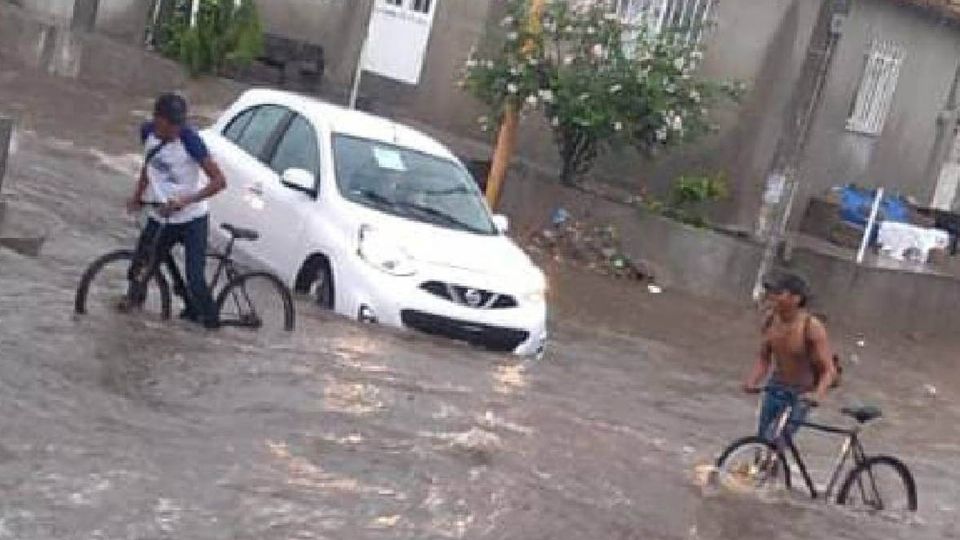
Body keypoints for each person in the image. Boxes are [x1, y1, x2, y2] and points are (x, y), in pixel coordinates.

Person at [121, 93, 227, 328]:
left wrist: (187, 200)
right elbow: (149, 168)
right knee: (140, 268)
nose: (174, 129)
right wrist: (137, 197)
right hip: (162, 215)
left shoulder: (191, 141)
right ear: (158, 120)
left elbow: (219, 181)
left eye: (178, 124)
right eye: (170, 124)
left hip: (192, 218)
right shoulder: (147, 133)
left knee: (195, 279)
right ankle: (128, 316)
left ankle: (212, 325)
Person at [743, 273, 837, 442]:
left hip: (800, 394)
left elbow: (829, 370)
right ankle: (773, 468)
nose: (771, 297)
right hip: (775, 387)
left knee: (775, 442)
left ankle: (775, 464)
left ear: (796, 299)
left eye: (778, 293)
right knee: (761, 443)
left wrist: (816, 396)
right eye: (771, 292)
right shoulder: (771, 320)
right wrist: (753, 380)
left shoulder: (811, 327)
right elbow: (764, 358)